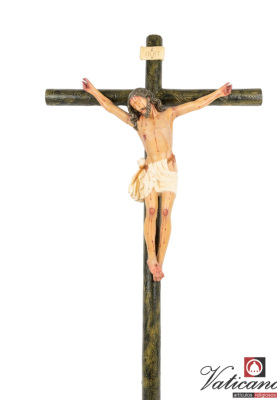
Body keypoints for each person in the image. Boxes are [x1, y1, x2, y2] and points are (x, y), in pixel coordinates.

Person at [82, 78, 232, 281]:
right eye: (133, 105)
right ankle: (151, 257)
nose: (136, 105)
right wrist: (93, 91)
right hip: (151, 169)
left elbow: (196, 104)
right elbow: (110, 108)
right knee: (151, 211)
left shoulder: (169, 114)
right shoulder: (137, 123)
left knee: (165, 212)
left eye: (137, 100)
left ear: (148, 98)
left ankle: (160, 263)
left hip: (168, 168)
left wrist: (219, 92)